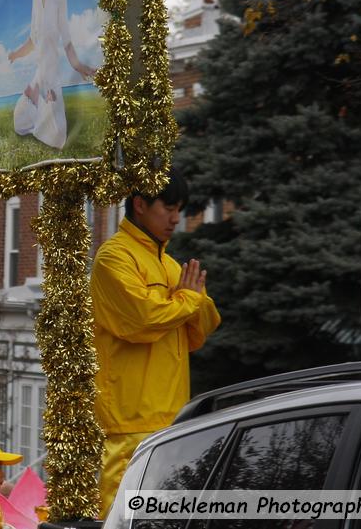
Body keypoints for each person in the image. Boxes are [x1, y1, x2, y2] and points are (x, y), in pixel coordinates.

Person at [90, 168, 221, 517]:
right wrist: (187, 301)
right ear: (139, 204)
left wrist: (188, 303)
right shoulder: (113, 257)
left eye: (180, 208)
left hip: (170, 420)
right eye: (169, 207)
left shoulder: (167, 263)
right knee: (122, 518)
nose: (176, 218)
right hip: (129, 423)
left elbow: (203, 327)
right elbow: (142, 321)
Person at [8, 0, 97, 151]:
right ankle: (38, 103)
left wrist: (78, 65)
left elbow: (66, 38)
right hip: (39, 74)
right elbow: (34, 38)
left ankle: (46, 104)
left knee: (57, 137)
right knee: (19, 122)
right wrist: (15, 54)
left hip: (52, 76)